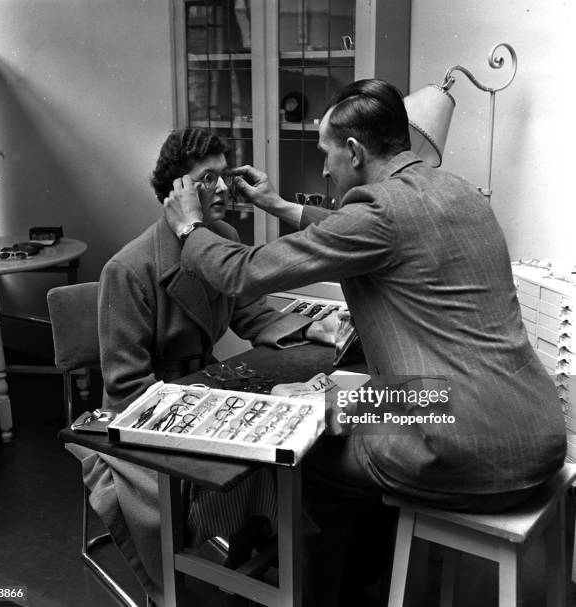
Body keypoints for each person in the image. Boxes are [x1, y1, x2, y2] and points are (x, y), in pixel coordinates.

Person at [163, 79, 567, 606]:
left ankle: (333, 595)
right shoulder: (458, 192)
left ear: (354, 150)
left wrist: (190, 229)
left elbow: (243, 272)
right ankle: (368, 578)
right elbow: (364, 230)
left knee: (307, 451)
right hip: (534, 431)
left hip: (456, 440)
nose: (325, 169)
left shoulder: (379, 214)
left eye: (326, 154)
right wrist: (281, 206)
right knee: (333, 406)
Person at [73, 128, 335, 605]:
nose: (222, 189)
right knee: (233, 474)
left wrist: (308, 328)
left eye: (224, 176)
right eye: (206, 179)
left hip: (204, 388)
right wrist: (208, 411)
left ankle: (267, 565)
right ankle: (188, 584)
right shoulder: (128, 270)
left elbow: (248, 309)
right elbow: (128, 385)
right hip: (144, 418)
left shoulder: (222, 238)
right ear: (176, 194)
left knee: (283, 452)